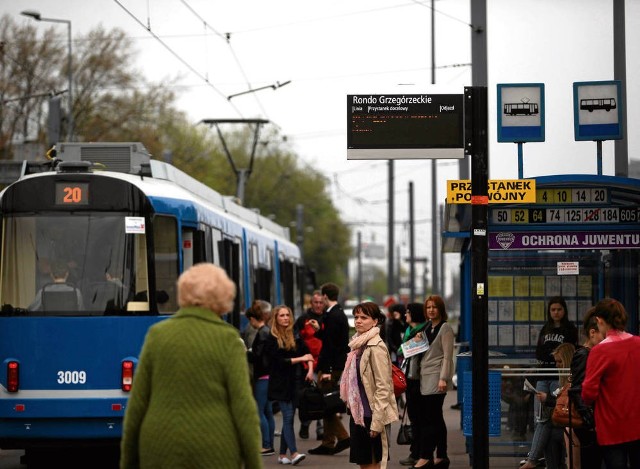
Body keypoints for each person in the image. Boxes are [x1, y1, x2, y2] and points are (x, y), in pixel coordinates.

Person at [119, 263, 261, 469]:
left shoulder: (157, 335)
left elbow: (137, 405)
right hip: (216, 447)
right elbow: (243, 407)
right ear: (224, 296)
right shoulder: (228, 339)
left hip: (159, 445)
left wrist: (128, 461)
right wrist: (254, 462)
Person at [582, 298, 640, 469]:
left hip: (611, 426)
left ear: (599, 320)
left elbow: (588, 393)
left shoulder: (600, 351)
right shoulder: (638, 343)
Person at [521, 296, 578, 469]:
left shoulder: (570, 329)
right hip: (542, 375)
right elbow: (539, 351)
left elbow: (569, 352)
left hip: (557, 376)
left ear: (564, 310)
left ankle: (536, 459)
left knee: (554, 419)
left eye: (559, 309)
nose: (556, 312)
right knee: (541, 418)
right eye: (553, 309)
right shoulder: (545, 328)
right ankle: (545, 461)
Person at [340, 301, 399, 469]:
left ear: (375, 321)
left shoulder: (376, 347)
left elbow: (384, 388)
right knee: (364, 464)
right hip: (358, 415)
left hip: (371, 415)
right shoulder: (358, 345)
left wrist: (377, 422)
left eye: (363, 317)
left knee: (371, 465)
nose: (358, 320)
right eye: (356, 316)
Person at [266, 304, 314, 465]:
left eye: (287, 315)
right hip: (280, 383)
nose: (285, 318)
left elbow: (308, 354)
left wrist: (310, 370)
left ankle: (281, 455)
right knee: (287, 417)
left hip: (295, 382)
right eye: (282, 315)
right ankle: (293, 453)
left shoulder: (295, 335)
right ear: (275, 318)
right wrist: (301, 360)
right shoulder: (271, 338)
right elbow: (278, 362)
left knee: (289, 419)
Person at [308, 282, 351, 456]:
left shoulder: (333, 316)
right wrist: (319, 330)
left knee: (326, 403)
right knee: (327, 403)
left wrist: (327, 369)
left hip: (330, 367)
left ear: (325, 296)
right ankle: (328, 442)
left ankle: (341, 437)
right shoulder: (336, 314)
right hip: (333, 365)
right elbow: (331, 339)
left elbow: (332, 346)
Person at [413, 295, 455, 469]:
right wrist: (416, 341)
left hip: (437, 378)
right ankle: (442, 456)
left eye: (434, 307)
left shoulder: (445, 328)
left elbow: (447, 356)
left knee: (430, 419)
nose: (431, 310)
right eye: (428, 307)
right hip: (425, 377)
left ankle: (425, 456)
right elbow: (416, 351)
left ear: (441, 309)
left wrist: (443, 378)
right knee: (436, 418)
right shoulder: (428, 327)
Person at [568, 307, 604, 469]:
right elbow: (577, 390)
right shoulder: (584, 355)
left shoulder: (590, 354)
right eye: (603, 336)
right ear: (592, 333)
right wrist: (591, 422)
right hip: (588, 421)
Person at [398, 302, 429, 467]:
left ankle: (419, 453)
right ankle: (415, 452)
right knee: (414, 416)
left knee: (419, 418)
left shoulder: (423, 331)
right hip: (409, 377)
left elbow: (404, 350)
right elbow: (400, 350)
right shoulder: (411, 331)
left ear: (415, 314)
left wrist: (407, 346)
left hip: (420, 378)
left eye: (408, 312)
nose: (405, 315)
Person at [538, 342, 576, 469]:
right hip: (565, 420)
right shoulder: (564, 379)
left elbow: (568, 402)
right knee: (549, 429)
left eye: (560, 362)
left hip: (573, 422)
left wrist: (547, 399)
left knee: (549, 431)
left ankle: (534, 460)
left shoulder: (573, 378)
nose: (557, 365)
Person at [245, 300, 276, 456]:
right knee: (268, 411)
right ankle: (269, 443)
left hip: (262, 377)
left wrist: (247, 352)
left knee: (260, 411)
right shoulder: (268, 331)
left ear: (252, 319)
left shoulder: (261, 333)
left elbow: (258, 357)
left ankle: (266, 445)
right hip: (269, 376)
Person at [294, 290, 325, 440]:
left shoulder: (327, 318)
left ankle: (321, 427)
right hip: (306, 363)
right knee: (306, 395)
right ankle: (305, 424)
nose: (318, 305)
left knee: (322, 395)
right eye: (316, 302)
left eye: (321, 302)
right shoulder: (302, 319)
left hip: (323, 362)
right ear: (311, 303)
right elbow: (296, 339)